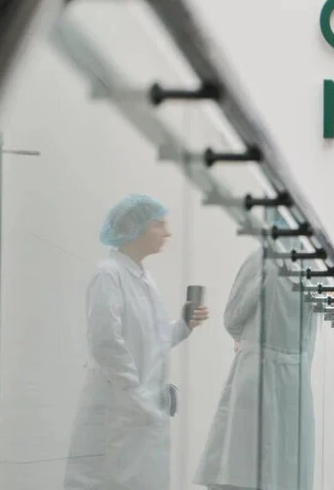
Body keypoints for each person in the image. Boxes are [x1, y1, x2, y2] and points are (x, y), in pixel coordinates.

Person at [65, 194, 210, 490]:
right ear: (135, 228)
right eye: (159, 224)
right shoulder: (109, 275)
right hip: (119, 408)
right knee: (105, 480)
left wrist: (184, 325)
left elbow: (153, 341)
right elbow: (106, 343)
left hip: (142, 410)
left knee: (142, 478)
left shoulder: (144, 279)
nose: (167, 233)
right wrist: (134, 393)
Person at [194, 245, 317, 490]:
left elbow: (232, 317)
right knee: (283, 467)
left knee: (241, 465)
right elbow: (308, 335)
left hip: (258, 371)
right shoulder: (312, 265)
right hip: (294, 380)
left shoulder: (262, 258)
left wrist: (248, 337)